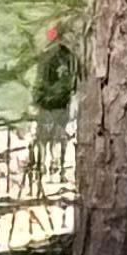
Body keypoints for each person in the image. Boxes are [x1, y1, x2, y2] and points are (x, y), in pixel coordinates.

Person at [32, 17, 80, 159]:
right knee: (51, 136)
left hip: (55, 103)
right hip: (54, 103)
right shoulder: (58, 56)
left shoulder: (65, 56)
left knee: (50, 137)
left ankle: (52, 166)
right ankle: (50, 166)